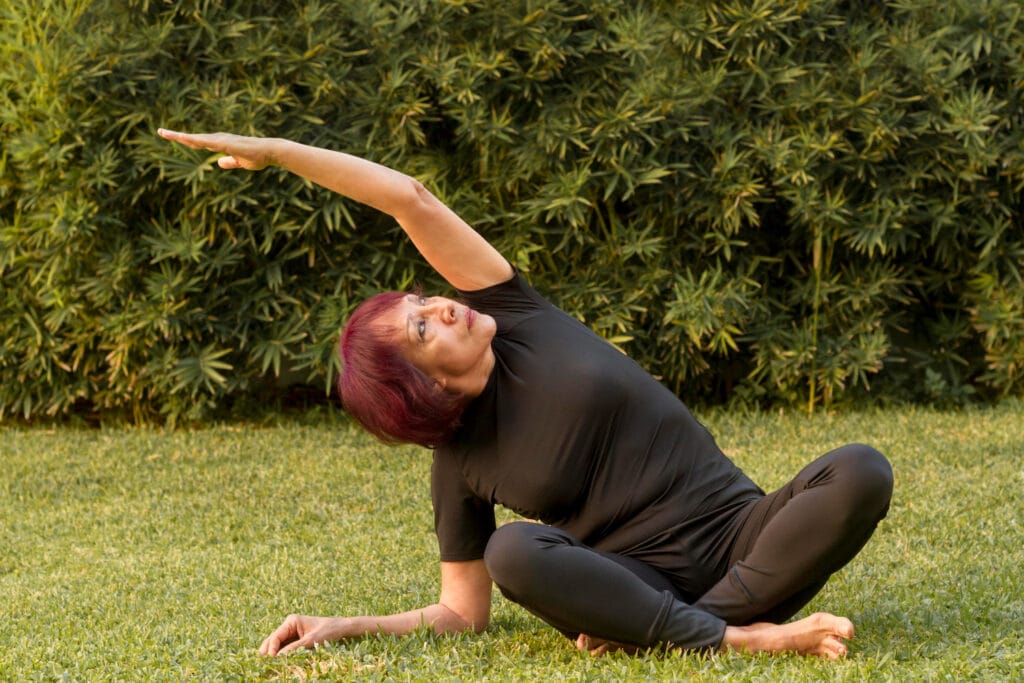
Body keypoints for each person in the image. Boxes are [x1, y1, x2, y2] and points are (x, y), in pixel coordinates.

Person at [158, 128, 894, 661]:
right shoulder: (460, 463)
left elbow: (408, 200)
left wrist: (279, 153)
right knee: (514, 550)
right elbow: (461, 611)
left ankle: (693, 628)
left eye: (423, 298)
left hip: (747, 538)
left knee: (861, 468)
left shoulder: (517, 314)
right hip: (633, 580)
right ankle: (735, 635)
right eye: (420, 327)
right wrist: (346, 624)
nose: (441, 304)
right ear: (423, 382)